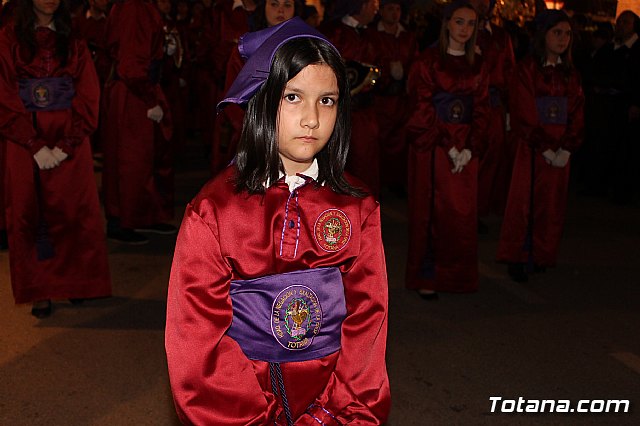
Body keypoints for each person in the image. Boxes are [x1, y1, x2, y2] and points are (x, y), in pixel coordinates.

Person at [165, 17, 391, 425]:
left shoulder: (359, 208)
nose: (311, 118)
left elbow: (368, 321)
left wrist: (332, 414)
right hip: (241, 396)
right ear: (263, 99)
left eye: (327, 100)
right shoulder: (214, 211)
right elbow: (198, 340)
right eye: (293, 97)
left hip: (330, 397)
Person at [0, 0, 111, 317]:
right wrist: (33, 143)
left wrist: (68, 142)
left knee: (74, 210)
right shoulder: (8, 39)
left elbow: (88, 90)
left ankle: (76, 283)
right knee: (28, 212)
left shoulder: (72, 38)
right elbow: (4, 93)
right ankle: (40, 289)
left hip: (68, 137)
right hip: (24, 139)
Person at [405, 0, 489, 298]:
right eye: (459, 22)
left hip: (465, 144)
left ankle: (457, 275)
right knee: (430, 210)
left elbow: (481, 108)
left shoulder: (477, 64)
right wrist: (447, 143)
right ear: (447, 24)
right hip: (434, 145)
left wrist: (470, 147)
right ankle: (428, 275)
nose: (465, 29)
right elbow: (421, 105)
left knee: (461, 213)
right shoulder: (428, 61)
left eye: (470, 23)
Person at [496, 10, 585, 282]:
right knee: (525, 201)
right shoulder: (527, 69)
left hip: (560, 148)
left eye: (567, 34)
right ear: (543, 35)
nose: (563, 39)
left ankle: (543, 252)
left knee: (552, 203)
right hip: (532, 146)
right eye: (557, 32)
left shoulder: (571, 74)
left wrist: (568, 147)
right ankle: (520, 255)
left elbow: (578, 112)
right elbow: (523, 108)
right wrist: (544, 146)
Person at [102, 0, 176, 245]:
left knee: (145, 158)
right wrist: (147, 98)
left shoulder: (141, 6)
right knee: (130, 160)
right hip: (133, 93)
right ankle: (121, 219)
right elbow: (131, 62)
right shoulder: (134, 7)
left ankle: (143, 215)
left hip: (139, 89)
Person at [210, 0, 299, 175]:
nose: (280, 10)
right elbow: (233, 96)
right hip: (252, 132)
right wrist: (259, 131)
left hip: (294, 134)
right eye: (274, 4)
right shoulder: (247, 47)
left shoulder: (306, 47)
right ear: (263, 7)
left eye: (287, 5)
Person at [470, 0, 515, 228]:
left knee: (492, 158)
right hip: (468, 107)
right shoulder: (462, 32)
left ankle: (479, 208)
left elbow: (510, 73)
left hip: (494, 106)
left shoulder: (500, 36)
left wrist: (509, 112)